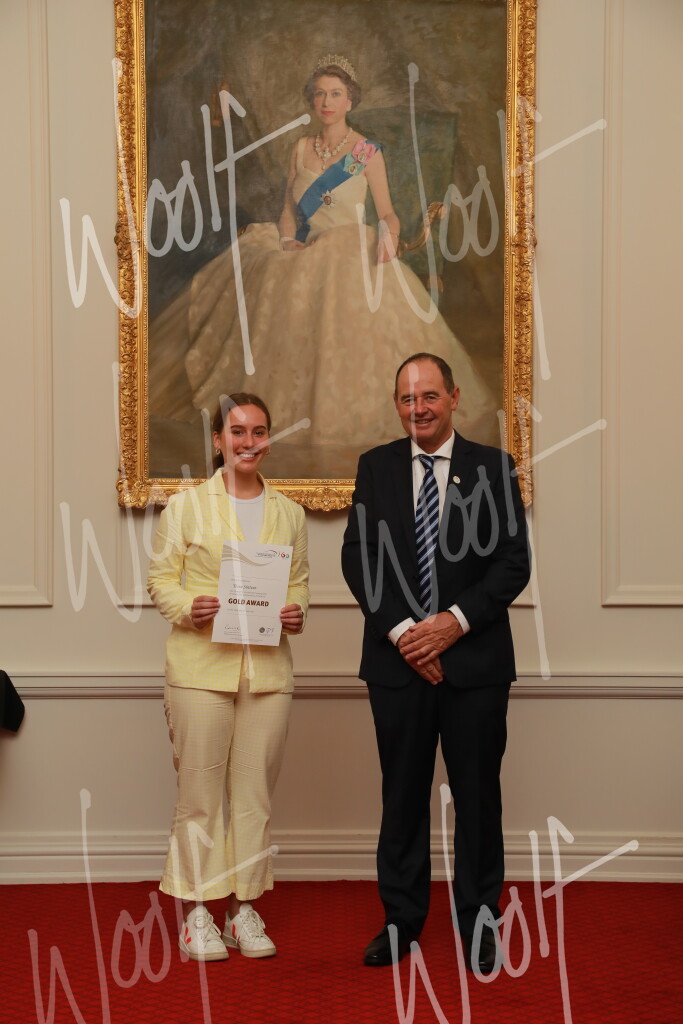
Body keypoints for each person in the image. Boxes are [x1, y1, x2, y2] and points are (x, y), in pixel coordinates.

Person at [151, 55, 496, 478]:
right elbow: (287, 211)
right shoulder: (299, 148)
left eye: (336, 94)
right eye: (320, 95)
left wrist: (389, 233)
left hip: (350, 248)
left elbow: (388, 212)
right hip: (304, 248)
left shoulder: (366, 152)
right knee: (260, 271)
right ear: (312, 101)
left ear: (350, 100)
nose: (327, 102)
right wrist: (285, 241)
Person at [341, 353, 530, 974]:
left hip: (475, 664)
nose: (417, 408)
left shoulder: (494, 468)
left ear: (453, 397)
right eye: (406, 398)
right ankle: (400, 922)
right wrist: (406, 635)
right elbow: (359, 559)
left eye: (428, 395)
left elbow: (513, 562)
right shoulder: (375, 468)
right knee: (401, 798)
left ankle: (480, 924)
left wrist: (451, 624)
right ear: (397, 405)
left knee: (478, 800)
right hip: (398, 667)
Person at [147, 393, 309, 962]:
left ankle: (243, 910)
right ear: (218, 440)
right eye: (237, 431)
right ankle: (198, 913)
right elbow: (160, 581)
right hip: (199, 669)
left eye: (259, 432)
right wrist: (188, 607)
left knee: (253, 797)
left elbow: (299, 581)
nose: (248, 442)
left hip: (267, 673)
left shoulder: (289, 513)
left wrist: (297, 610)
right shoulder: (184, 507)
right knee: (199, 798)